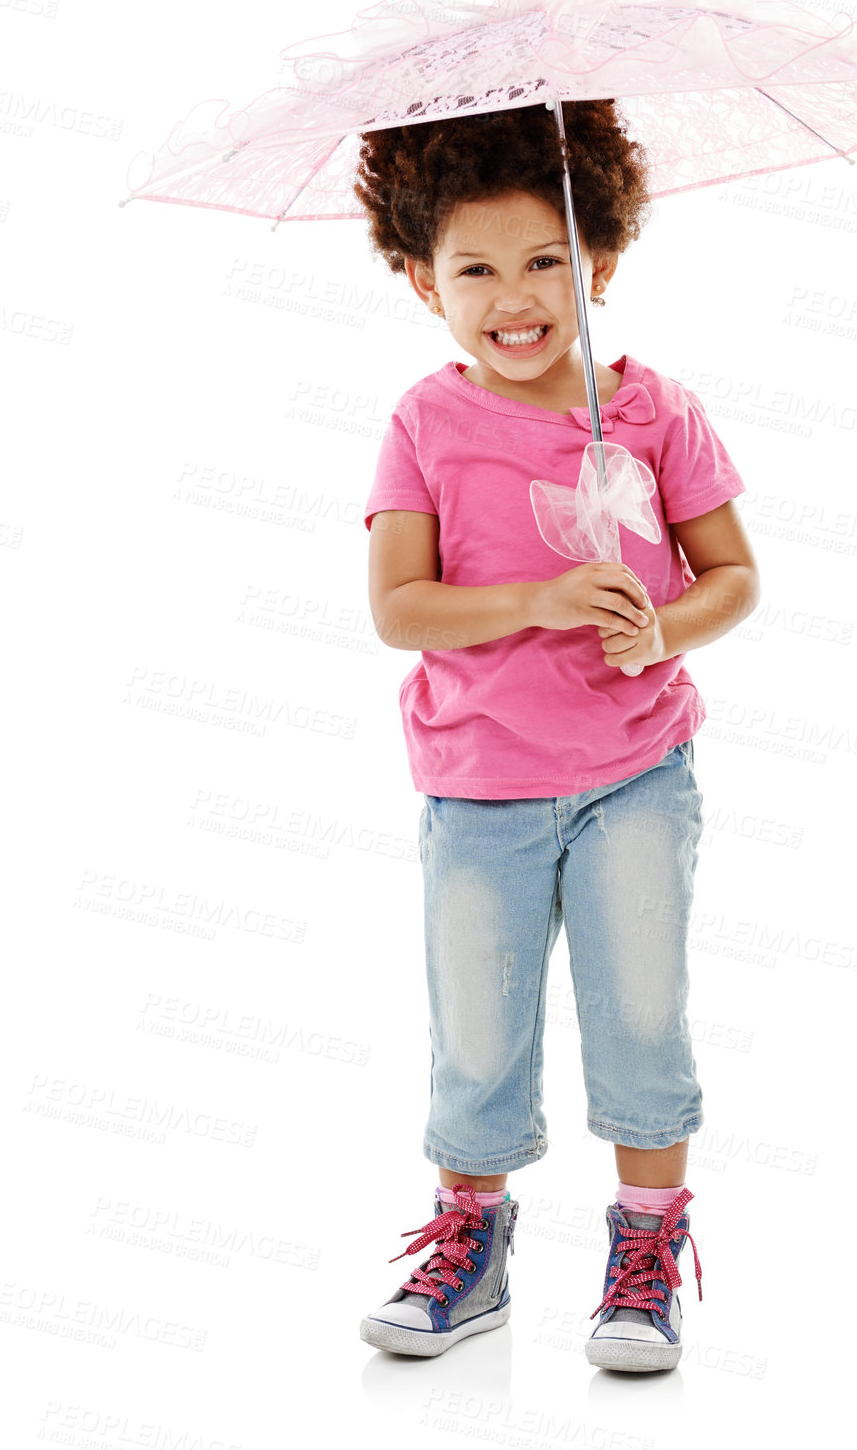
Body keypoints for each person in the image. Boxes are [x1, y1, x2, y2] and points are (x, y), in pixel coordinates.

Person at [354, 99, 759, 1371]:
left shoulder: (655, 415)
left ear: (600, 262)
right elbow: (398, 607)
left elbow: (733, 575)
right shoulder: (427, 424)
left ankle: (645, 1256)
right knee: (478, 1022)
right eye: (475, 268)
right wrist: (536, 597)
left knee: (642, 1012)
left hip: (635, 772)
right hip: (478, 785)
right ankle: (469, 1244)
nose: (515, 297)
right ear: (423, 281)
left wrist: (667, 631)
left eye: (545, 261)